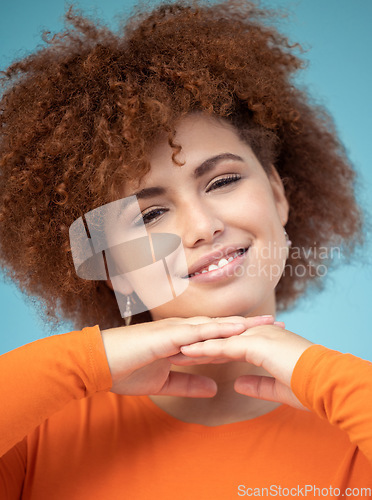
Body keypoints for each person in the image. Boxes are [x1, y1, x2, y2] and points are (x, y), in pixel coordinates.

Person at [0, 1, 371, 498]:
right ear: (109, 266)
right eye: (150, 215)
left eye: (223, 180)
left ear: (279, 194)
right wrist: (82, 364)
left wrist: (321, 375)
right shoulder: (36, 435)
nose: (202, 227)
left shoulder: (354, 426)